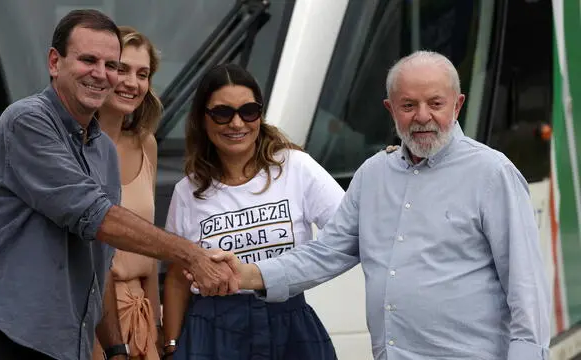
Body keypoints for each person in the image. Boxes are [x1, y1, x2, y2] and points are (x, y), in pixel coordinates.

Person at [197, 51, 552, 359]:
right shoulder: (373, 174)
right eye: (409, 105)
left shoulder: (492, 174)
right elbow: (326, 253)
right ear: (390, 109)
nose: (422, 116)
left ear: (457, 104)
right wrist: (248, 274)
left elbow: (526, 289)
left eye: (436, 103)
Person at [0, 9, 237, 360]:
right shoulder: (27, 121)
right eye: (88, 60)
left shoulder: (102, 151)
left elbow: (100, 264)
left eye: (111, 65)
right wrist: (194, 255)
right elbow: (94, 215)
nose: (102, 74)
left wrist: (116, 350)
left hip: (63, 346)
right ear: (55, 62)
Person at [161, 63, 344, 360]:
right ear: (202, 120)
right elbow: (178, 277)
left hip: (289, 322)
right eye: (222, 113)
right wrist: (171, 347)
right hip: (213, 330)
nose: (237, 123)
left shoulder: (295, 166)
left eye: (248, 111)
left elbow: (348, 231)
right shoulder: (187, 191)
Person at [91, 26, 164, 360]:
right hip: (90, 319)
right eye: (122, 69)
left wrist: (158, 328)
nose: (132, 83)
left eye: (143, 73)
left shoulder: (146, 145)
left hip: (141, 317)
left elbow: (149, 250)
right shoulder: (70, 146)